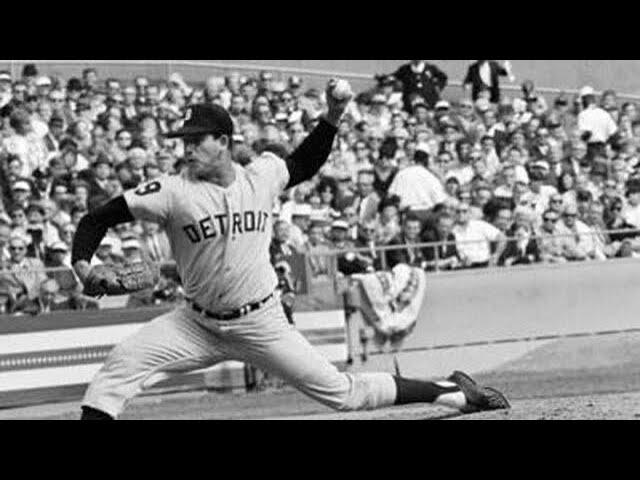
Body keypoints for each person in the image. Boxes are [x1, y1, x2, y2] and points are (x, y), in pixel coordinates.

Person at [70, 80, 509, 420]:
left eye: (196, 139)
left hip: (261, 322)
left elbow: (305, 161)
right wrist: (82, 266)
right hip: (196, 323)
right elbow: (97, 219)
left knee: (343, 394)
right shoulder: (170, 191)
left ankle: (452, 391)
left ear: (223, 141)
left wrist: (333, 115)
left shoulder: (261, 174)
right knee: (119, 367)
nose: (186, 148)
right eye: (183, 140)